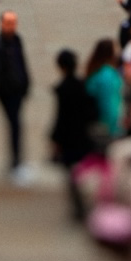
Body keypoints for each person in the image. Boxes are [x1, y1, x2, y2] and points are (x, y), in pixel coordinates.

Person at [49, 48, 97, 220]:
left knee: (72, 174)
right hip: (83, 135)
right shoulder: (83, 85)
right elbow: (92, 111)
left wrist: (55, 139)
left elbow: (61, 117)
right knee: (84, 172)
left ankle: (78, 207)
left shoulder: (62, 89)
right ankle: (86, 204)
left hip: (69, 138)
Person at [0, 11, 32, 175]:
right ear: (1, 24)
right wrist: (7, 88)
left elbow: (22, 62)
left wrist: (26, 83)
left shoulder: (17, 40)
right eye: (8, 23)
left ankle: (17, 159)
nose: (11, 26)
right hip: (8, 93)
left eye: (13, 23)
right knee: (15, 125)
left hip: (18, 90)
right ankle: (15, 161)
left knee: (16, 125)